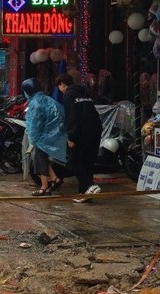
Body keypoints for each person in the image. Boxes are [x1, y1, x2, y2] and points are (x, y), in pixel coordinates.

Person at [56, 73, 103, 203]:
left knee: (73, 161)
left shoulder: (68, 95)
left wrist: (71, 137)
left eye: (59, 87)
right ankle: (84, 193)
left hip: (82, 132)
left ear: (63, 84)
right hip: (95, 130)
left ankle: (89, 186)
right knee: (87, 162)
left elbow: (72, 117)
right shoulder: (85, 92)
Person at [22, 78, 66, 197]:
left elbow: (34, 124)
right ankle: (55, 179)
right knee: (43, 159)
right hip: (54, 135)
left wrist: (33, 139)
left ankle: (44, 187)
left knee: (39, 160)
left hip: (43, 137)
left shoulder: (35, 104)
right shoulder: (47, 99)